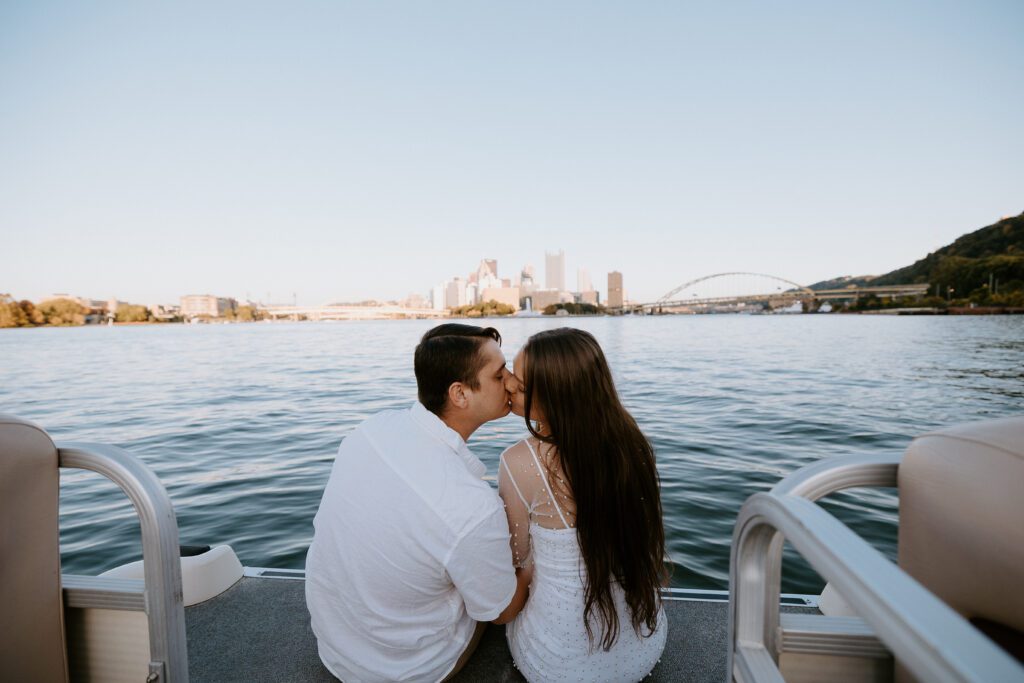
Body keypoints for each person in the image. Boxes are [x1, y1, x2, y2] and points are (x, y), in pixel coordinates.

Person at [305, 323, 531, 683]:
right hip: (403, 670)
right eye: (499, 374)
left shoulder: (371, 429)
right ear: (460, 394)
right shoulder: (471, 507)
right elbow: (499, 611)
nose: (513, 383)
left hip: (335, 643)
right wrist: (534, 564)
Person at [497, 327, 668, 682]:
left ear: (559, 397)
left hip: (558, 664)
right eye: (511, 372)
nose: (510, 385)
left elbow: (517, 560)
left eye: (522, 385)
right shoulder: (631, 443)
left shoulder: (519, 461)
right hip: (643, 645)